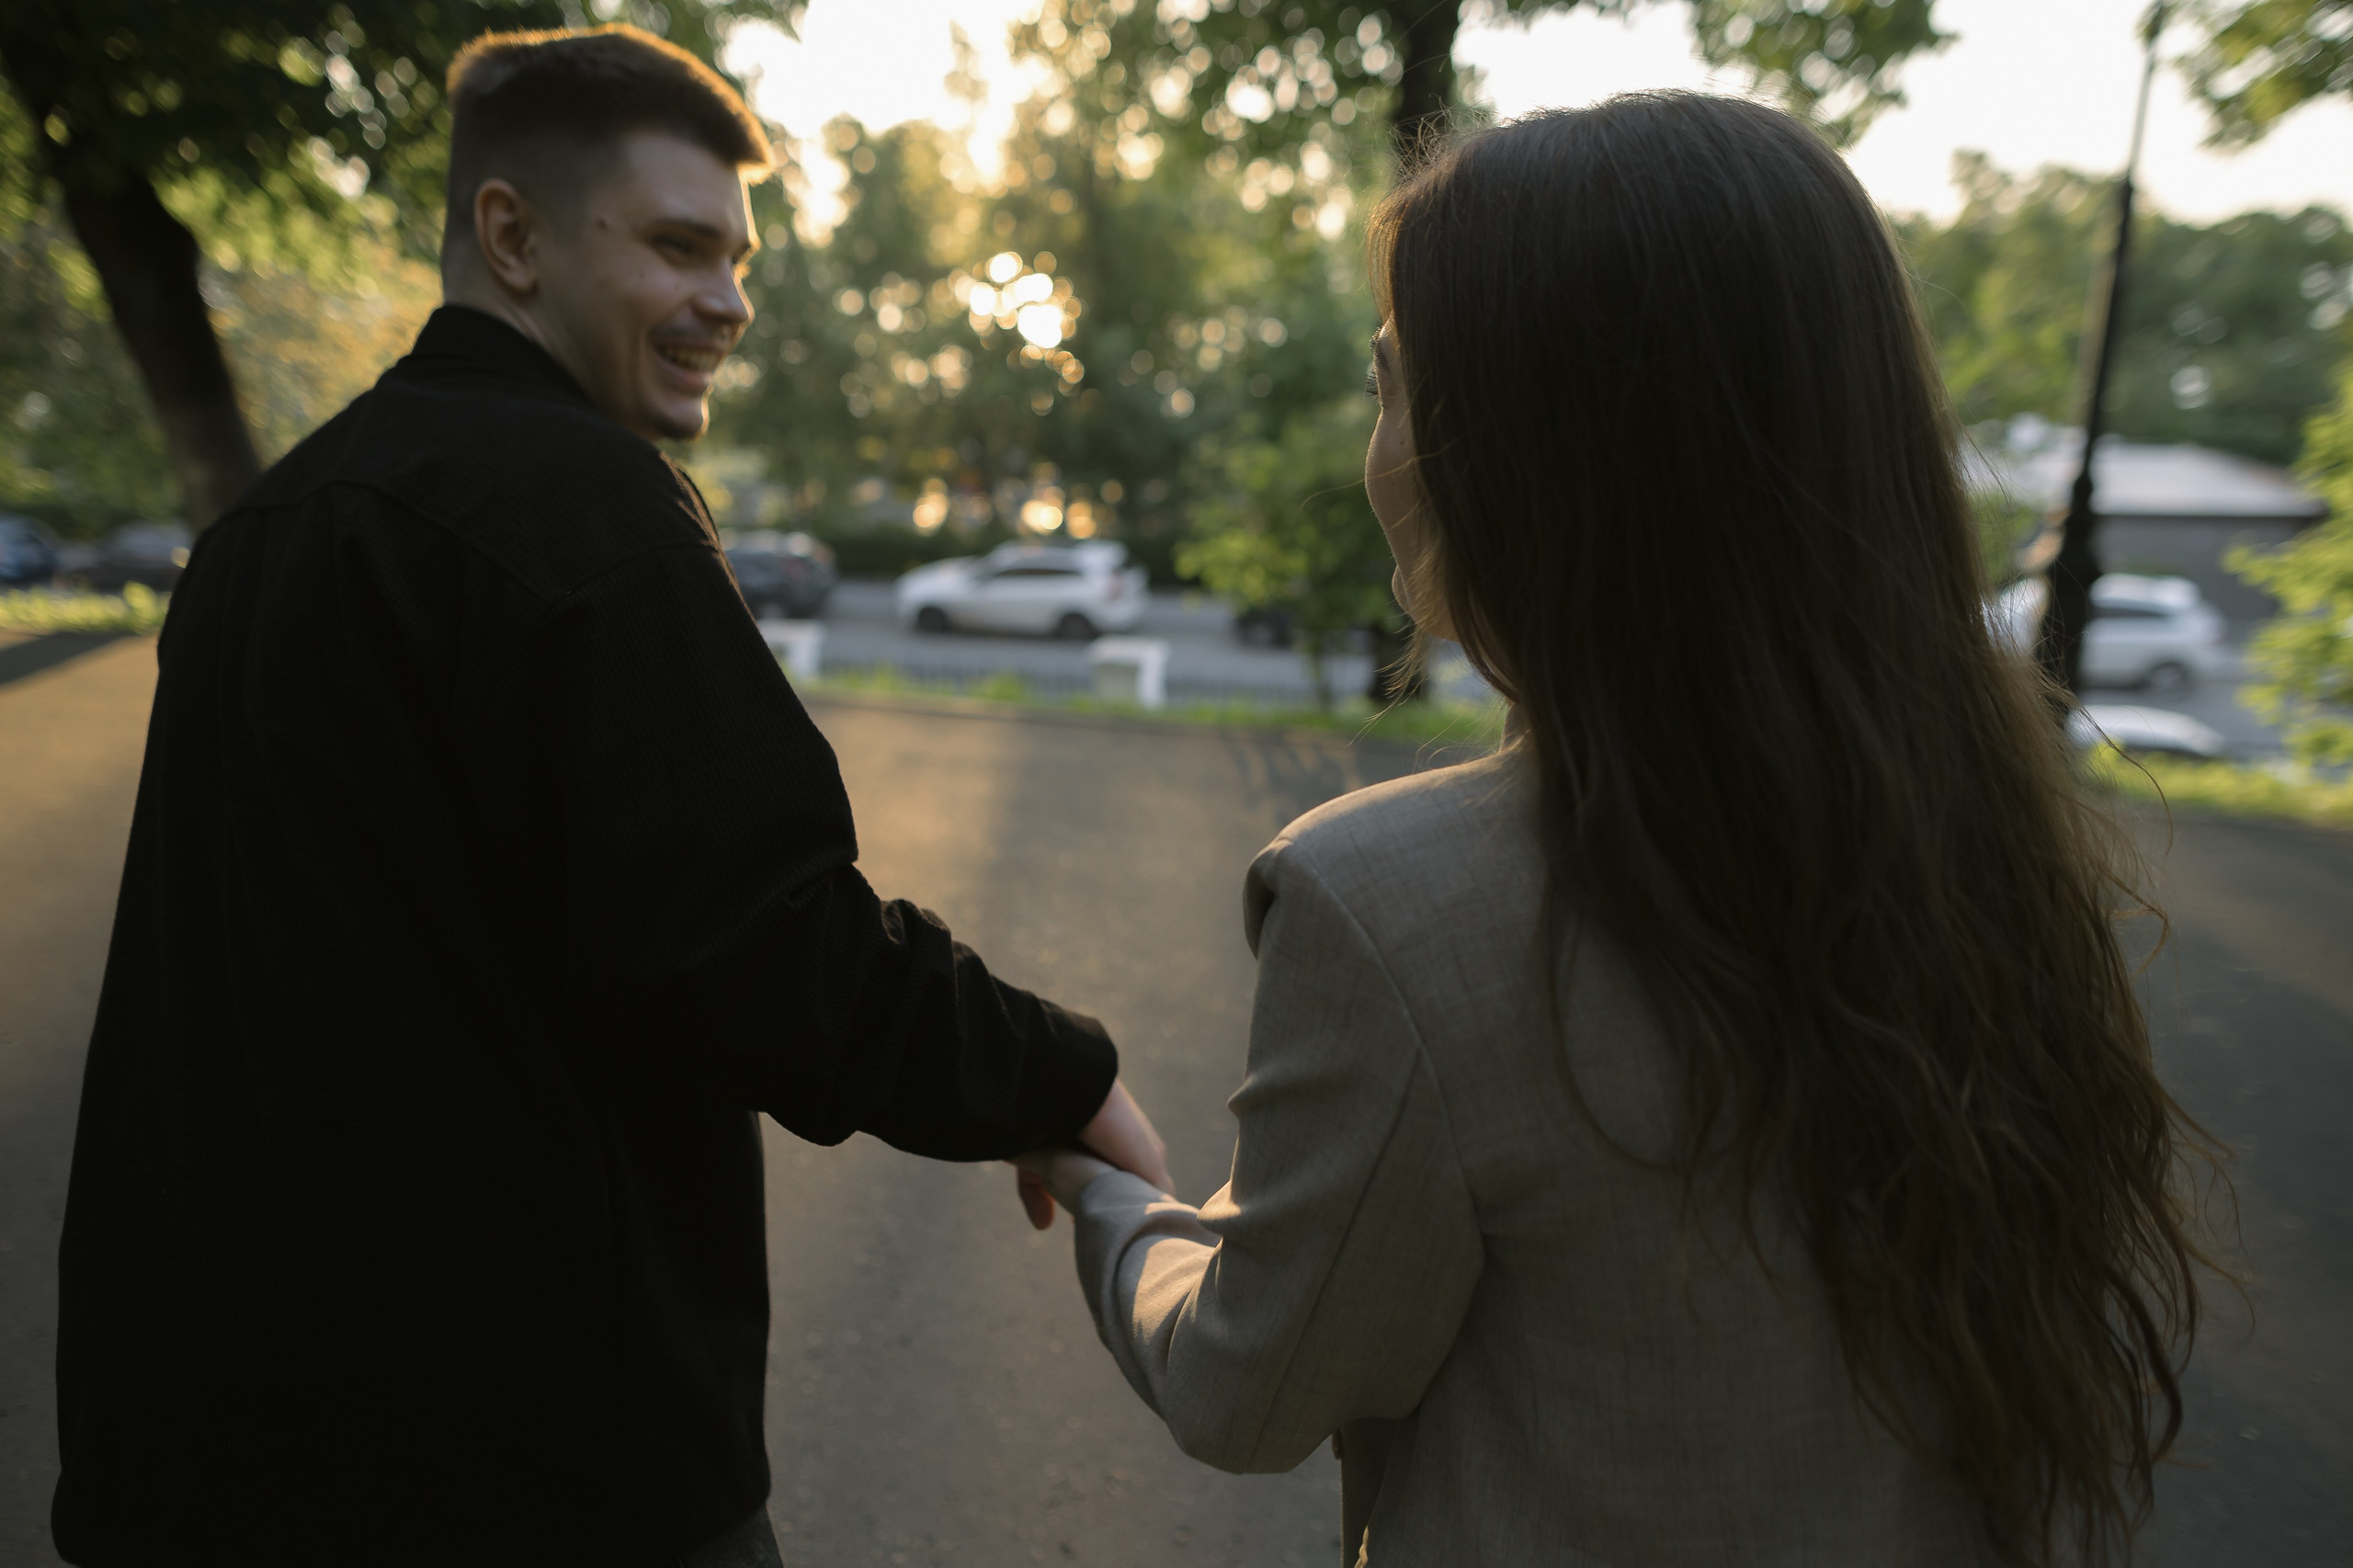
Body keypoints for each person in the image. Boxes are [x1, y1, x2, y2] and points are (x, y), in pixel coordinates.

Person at [1017, 95, 2218, 1568]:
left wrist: (1113, 1202)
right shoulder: (1986, 842)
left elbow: (1245, 1380)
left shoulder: (1394, 898)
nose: (1376, 449)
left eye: (1391, 389)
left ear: (1525, 450)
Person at [51, 27, 1166, 1568]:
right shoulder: (583, 506)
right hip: (531, 1466)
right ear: (510, 235)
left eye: (739, 257)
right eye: (678, 245)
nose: (728, 301)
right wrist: (1055, 1077)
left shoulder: (266, 528)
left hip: (205, 1451)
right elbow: (771, 942)